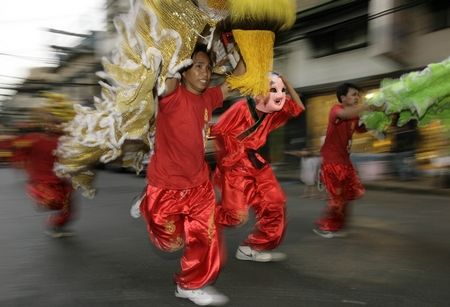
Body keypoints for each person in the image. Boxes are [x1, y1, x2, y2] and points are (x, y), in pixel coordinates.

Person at [135, 43, 244, 306]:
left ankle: (190, 284)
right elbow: (169, 74)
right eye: (198, 67)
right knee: (170, 243)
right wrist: (179, 32)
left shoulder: (208, 98)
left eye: (208, 67)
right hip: (166, 186)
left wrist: (242, 44)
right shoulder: (172, 94)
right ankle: (148, 204)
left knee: (207, 238)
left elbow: (239, 75)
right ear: (184, 71)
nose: (205, 73)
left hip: (199, 184)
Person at [211, 72, 304, 262]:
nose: (280, 95)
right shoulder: (241, 108)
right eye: (273, 89)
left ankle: (252, 247)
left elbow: (298, 108)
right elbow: (218, 133)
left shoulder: (274, 110)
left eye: (282, 91)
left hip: (256, 163)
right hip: (235, 166)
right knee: (235, 217)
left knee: (276, 203)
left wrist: (287, 82)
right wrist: (233, 158)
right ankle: (197, 218)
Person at [313, 82, 369, 238]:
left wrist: (381, 120)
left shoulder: (354, 115)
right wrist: (368, 107)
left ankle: (335, 224)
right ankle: (326, 226)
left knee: (347, 194)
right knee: (337, 197)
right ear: (343, 98)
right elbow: (344, 116)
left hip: (344, 161)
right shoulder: (336, 110)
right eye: (353, 94)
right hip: (332, 161)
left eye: (358, 95)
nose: (357, 97)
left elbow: (361, 128)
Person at [11, 106, 75, 238]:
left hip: (60, 178)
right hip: (41, 180)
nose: (51, 126)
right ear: (44, 125)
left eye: (55, 124)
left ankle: (56, 225)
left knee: (68, 206)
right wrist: (20, 162)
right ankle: (43, 202)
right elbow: (18, 150)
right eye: (49, 123)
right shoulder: (33, 139)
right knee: (53, 200)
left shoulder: (63, 141)